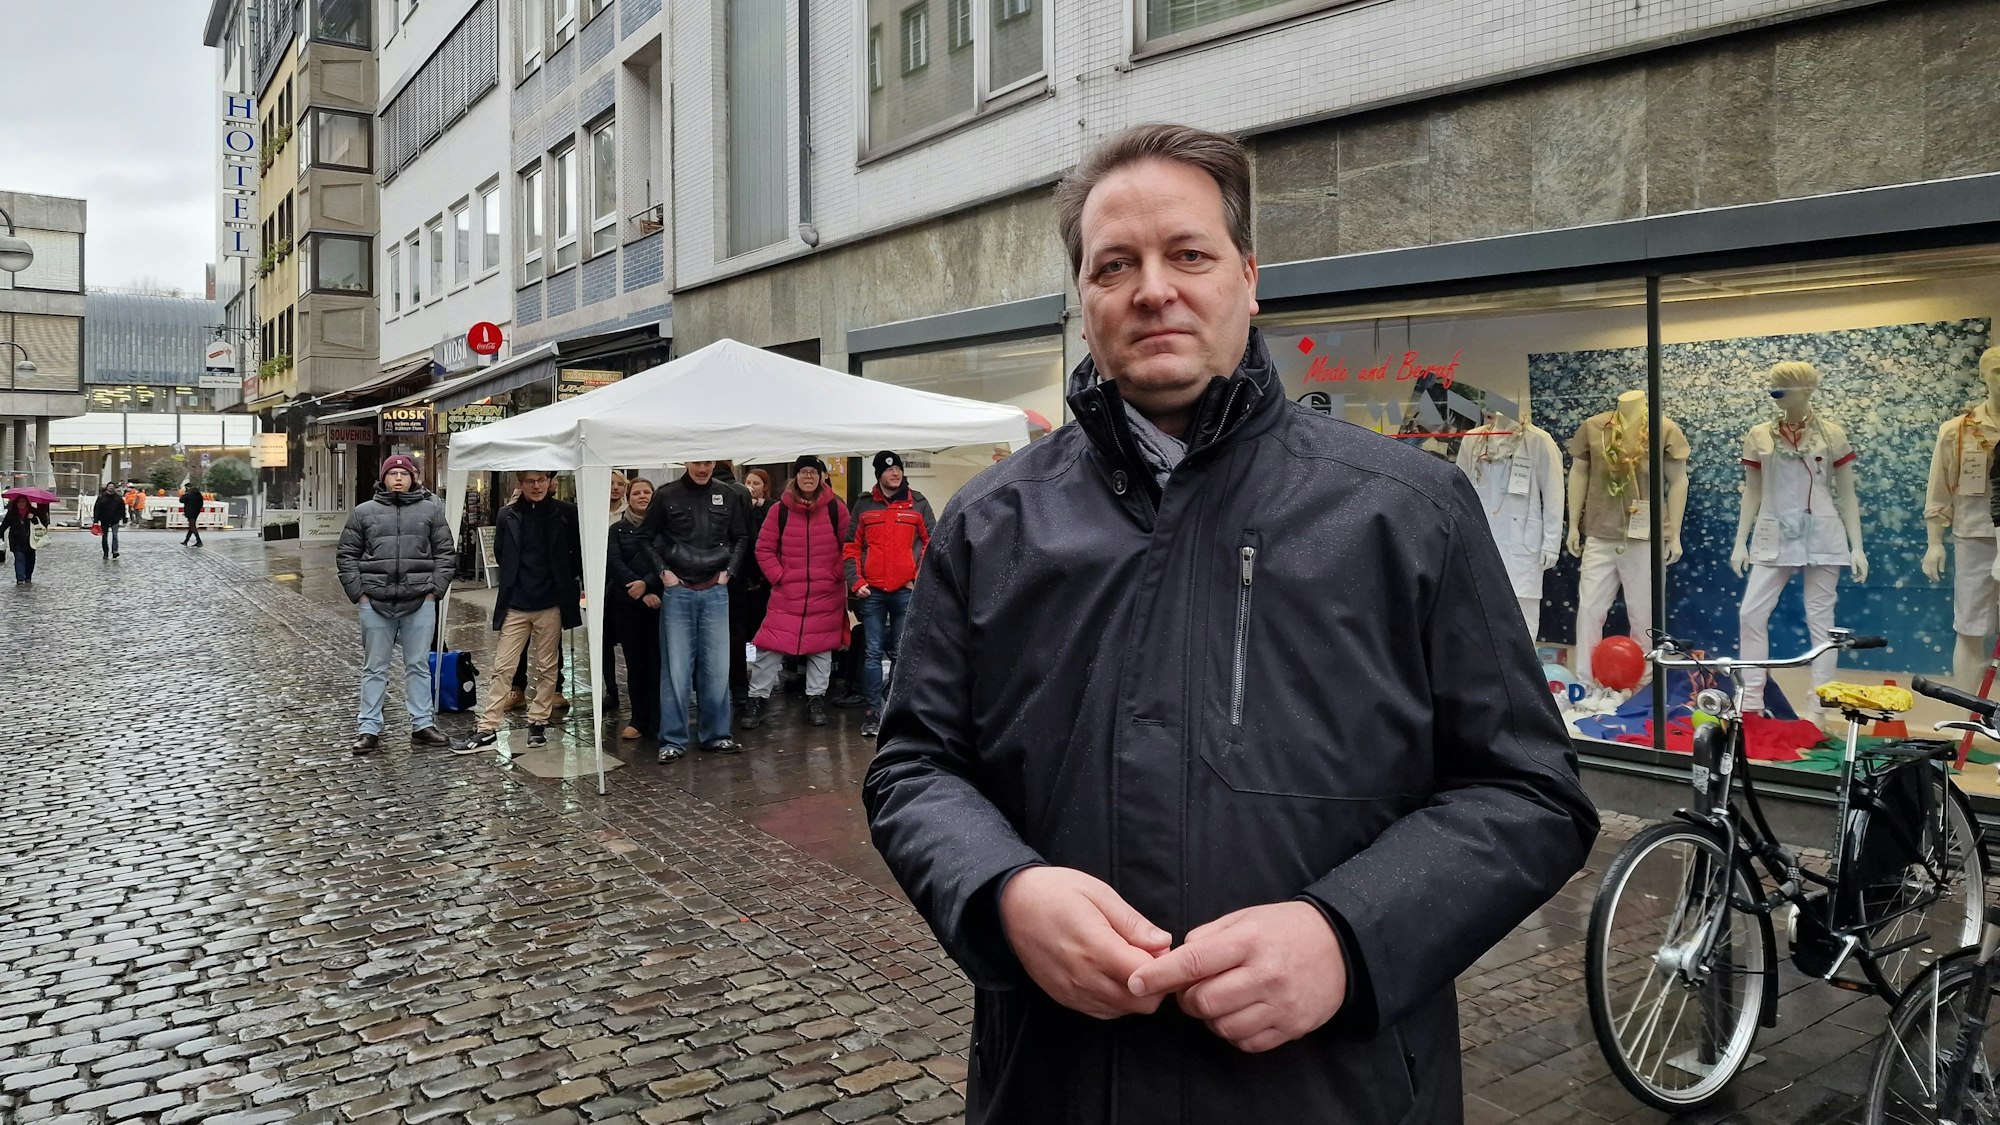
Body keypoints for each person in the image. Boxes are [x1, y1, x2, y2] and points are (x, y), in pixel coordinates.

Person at [861, 124, 1597, 1123]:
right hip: (1060, 1083)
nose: (1152, 288)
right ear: (1082, 299)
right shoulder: (992, 523)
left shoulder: (1406, 510)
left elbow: (1527, 791)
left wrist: (1348, 937)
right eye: (1113, 264)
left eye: (1188, 255)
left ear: (1247, 279)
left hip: (1333, 1090)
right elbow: (913, 765)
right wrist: (1000, 891)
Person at [335, 455, 458, 755]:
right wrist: (360, 593)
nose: (399, 478)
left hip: (420, 600)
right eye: (394, 473)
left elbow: (446, 553)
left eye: (405, 473)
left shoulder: (431, 510)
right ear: (384, 478)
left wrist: (434, 591)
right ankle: (369, 728)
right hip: (375, 600)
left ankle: (422, 723)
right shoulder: (364, 512)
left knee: (418, 665)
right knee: (374, 667)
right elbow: (347, 554)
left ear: (414, 477)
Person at [465, 470, 582, 751]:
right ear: (521, 485)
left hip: (551, 601)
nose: (537, 486)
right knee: (503, 665)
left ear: (550, 482)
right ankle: (488, 726)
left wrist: (568, 584)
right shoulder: (507, 515)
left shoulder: (566, 513)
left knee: (547, 666)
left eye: (541, 480)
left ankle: (538, 722)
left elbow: (576, 552)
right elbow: (502, 553)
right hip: (517, 601)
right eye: (530, 481)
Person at [641, 460, 749, 762]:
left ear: (715, 462)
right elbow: (645, 537)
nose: (702, 468)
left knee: (717, 667)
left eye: (708, 462)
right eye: (697, 462)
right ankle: (673, 739)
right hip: (679, 590)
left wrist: (729, 571)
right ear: (686, 462)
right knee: (676, 669)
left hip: (715, 588)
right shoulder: (666, 495)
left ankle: (716, 734)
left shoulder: (728, 494)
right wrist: (664, 573)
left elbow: (741, 535)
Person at [744, 456, 850, 730]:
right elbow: (763, 548)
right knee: (769, 646)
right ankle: (757, 699)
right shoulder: (779, 510)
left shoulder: (836, 509)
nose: (808, 477)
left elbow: (848, 546)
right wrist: (779, 576)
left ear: (821, 477)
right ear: (796, 477)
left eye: (813, 472)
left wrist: (835, 575)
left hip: (826, 592)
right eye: (803, 472)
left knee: (821, 649)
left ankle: (816, 698)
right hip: (787, 593)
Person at [844, 450, 935, 738]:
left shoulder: (918, 503)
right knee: (871, 652)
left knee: (901, 653)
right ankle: (872, 712)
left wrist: (917, 579)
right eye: (889, 469)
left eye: (898, 468)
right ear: (879, 474)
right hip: (871, 592)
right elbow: (851, 547)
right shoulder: (864, 505)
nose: (895, 473)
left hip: (904, 592)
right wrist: (856, 581)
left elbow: (932, 542)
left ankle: (895, 710)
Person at [606, 476, 663, 741]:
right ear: (628, 497)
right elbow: (615, 563)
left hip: (659, 602)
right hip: (627, 604)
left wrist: (649, 584)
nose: (643, 496)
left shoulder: (663, 528)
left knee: (658, 662)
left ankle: (660, 716)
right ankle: (639, 718)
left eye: (647, 492)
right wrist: (638, 591)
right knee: (635, 663)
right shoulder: (616, 530)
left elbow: (666, 559)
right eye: (637, 492)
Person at [1, 498, 50, 586]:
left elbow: (43, 523)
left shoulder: (33, 511)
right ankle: (20, 579)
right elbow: (5, 524)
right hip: (16, 540)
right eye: (19, 502)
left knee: (30, 560)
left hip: (30, 541)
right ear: (16, 503)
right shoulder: (12, 512)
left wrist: (33, 518)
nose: (21, 504)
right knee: (19, 558)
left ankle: (28, 577)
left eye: (23, 502)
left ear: (27, 503)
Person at [91, 484, 125, 560]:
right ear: (107, 488)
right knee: (104, 537)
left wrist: (123, 519)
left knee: (115, 536)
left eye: (112, 487)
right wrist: (96, 520)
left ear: (114, 488)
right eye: (109, 487)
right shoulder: (101, 497)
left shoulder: (118, 498)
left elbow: (122, 509)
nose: (111, 488)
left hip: (115, 520)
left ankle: (115, 551)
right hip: (104, 520)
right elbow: (97, 509)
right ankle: (105, 552)